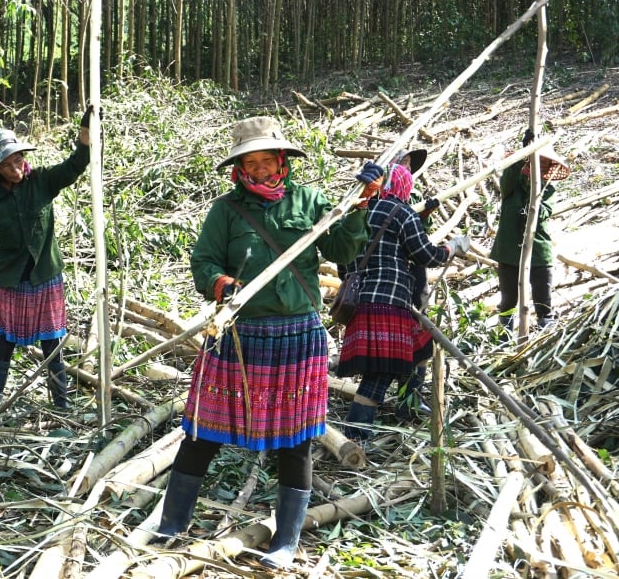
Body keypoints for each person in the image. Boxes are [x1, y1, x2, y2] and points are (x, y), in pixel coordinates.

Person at [155, 116, 379, 570]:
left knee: (296, 439)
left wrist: (358, 207)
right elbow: (203, 262)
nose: (259, 170)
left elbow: (342, 250)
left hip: (298, 334)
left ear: (281, 161)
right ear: (239, 168)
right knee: (202, 429)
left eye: (266, 161)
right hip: (239, 333)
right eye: (250, 163)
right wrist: (220, 284)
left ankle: (286, 540)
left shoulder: (309, 201)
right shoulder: (226, 211)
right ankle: (171, 524)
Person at [0, 108, 93, 409]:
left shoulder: (43, 182)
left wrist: (85, 131)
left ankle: (61, 404)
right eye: (7, 165)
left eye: (18, 160)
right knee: (3, 342)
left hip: (45, 275)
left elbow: (76, 164)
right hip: (11, 279)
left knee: (52, 342)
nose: (16, 168)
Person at [336, 163, 470, 441]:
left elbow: (342, 261)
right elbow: (427, 255)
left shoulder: (356, 211)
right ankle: (355, 437)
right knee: (379, 375)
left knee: (421, 345)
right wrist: (452, 247)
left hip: (360, 304)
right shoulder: (401, 211)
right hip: (389, 303)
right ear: (403, 187)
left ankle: (408, 404)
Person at [489, 130, 570, 334]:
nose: (540, 165)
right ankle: (504, 338)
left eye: (545, 163)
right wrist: (523, 152)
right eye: (537, 160)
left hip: (538, 250)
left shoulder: (547, 190)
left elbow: (543, 212)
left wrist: (535, 195)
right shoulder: (513, 185)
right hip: (509, 249)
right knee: (508, 301)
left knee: (543, 301)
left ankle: (546, 335)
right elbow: (506, 181)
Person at [392, 148, 439, 421]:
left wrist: (424, 215)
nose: (407, 168)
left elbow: (418, 238)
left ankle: (411, 399)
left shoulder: (411, 199)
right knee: (403, 340)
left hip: (415, 275)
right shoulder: (382, 199)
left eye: (410, 164)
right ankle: (405, 400)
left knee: (421, 339)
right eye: (403, 162)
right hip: (395, 279)